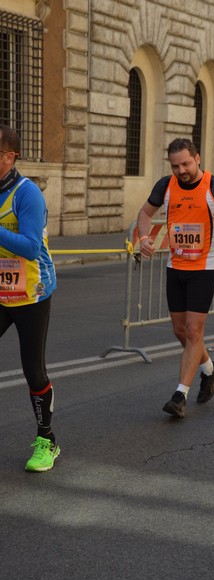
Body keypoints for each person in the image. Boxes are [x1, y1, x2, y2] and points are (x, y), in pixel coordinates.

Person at [137, 138, 214, 418]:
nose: (181, 170)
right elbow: (144, 213)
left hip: (205, 267)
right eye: (176, 166)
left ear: (197, 159)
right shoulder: (165, 186)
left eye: (186, 164)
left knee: (193, 332)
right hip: (175, 266)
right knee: (180, 331)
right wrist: (143, 237)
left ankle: (180, 395)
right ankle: (211, 370)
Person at [0, 125, 59, 471]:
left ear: (9, 157)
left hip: (32, 294)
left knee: (33, 371)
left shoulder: (27, 193)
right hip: (2, 292)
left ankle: (47, 441)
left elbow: (31, 247)